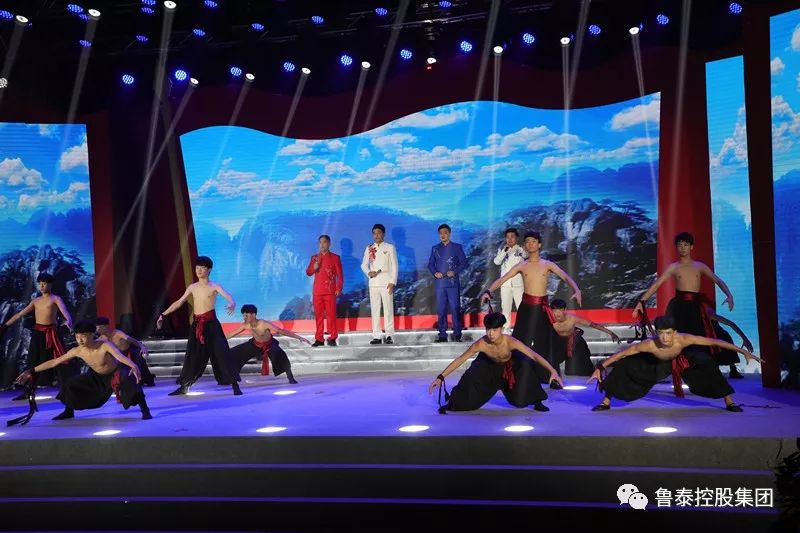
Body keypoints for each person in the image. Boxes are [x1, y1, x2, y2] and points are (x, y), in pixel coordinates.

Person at [588, 315, 760, 412]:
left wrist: (744, 352)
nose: (664, 337)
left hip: (683, 360)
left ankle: (729, 401)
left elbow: (715, 342)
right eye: (661, 333)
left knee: (707, 363)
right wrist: (600, 367)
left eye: (668, 333)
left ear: (675, 332)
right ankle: (606, 401)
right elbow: (623, 353)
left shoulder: (684, 339)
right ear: (656, 333)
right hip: (659, 364)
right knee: (625, 365)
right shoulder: (650, 344)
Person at [632, 232, 741, 378]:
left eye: (685, 245)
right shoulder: (674, 267)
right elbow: (656, 285)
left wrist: (729, 295)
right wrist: (641, 302)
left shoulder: (699, 266)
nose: (682, 248)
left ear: (691, 247)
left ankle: (707, 370)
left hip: (696, 307)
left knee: (706, 336)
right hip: (679, 308)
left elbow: (718, 281)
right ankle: (673, 370)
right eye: (679, 245)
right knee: (675, 338)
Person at [481, 231, 582, 389]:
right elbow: (503, 279)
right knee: (519, 341)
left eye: (533, 241)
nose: (530, 244)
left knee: (545, 343)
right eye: (527, 241)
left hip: (542, 309)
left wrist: (576, 289)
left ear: (539, 244)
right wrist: (488, 291)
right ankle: (513, 377)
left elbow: (565, 276)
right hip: (526, 308)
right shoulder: (522, 265)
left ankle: (551, 378)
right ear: (524, 245)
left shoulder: (547, 264)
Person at [11, 320, 151, 423]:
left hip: (115, 372)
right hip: (96, 376)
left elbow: (120, 357)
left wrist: (133, 365)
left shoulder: (104, 345)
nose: (80, 340)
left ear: (92, 334)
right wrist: (32, 370)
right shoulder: (77, 350)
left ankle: (145, 410)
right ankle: (68, 411)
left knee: (129, 379)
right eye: (77, 337)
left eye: (83, 336)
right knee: (70, 384)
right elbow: (54, 362)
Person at [428, 312, 561, 413]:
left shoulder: (510, 342)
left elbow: (534, 355)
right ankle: (453, 402)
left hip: (510, 368)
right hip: (490, 368)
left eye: (494, 329)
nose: (491, 333)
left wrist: (552, 370)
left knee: (525, 368)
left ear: (501, 329)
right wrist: (441, 377)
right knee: (471, 376)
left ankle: (537, 401)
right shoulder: (481, 343)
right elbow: (461, 359)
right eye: (488, 329)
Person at [157, 256, 241, 396]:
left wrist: (232, 303)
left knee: (221, 354)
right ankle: (185, 386)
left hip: (212, 326)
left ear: (209, 270)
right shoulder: (192, 287)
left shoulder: (214, 286)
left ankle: (234, 384)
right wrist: (163, 314)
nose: (199, 270)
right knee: (193, 356)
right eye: (197, 268)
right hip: (197, 326)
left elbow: (229, 297)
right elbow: (179, 302)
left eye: (202, 268)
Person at [2, 272, 76, 398]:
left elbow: (65, 311)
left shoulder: (55, 299)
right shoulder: (36, 301)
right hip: (38, 334)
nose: (41, 286)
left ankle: (66, 391)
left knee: (60, 362)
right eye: (40, 283)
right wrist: (5, 326)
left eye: (44, 283)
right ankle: (28, 391)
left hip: (52, 334)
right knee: (32, 362)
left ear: (50, 285)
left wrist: (68, 321)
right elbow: (20, 314)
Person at [227, 304, 311, 384]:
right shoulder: (245, 325)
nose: (244, 318)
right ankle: (232, 378)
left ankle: (290, 377)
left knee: (280, 355)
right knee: (234, 352)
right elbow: (231, 334)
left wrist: (299, 337)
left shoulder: (264, 324)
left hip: (269, 344)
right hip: (256, 344)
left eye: (246, 315)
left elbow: (280, 331)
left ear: (253, 315)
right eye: (243, 316)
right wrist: (220, 341)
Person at [549, 299, 621, 376]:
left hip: (573, 343)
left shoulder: (572, 318)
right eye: (554, 311)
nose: (557, 314)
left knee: (573, 371)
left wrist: (611, 333)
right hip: (558, 343)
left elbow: (594, 325)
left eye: (560, 310)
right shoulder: (549, 320)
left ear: (565, 309)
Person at [428, 224, 468, 342]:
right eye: (440, 233)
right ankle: (442, 335)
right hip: (440, 284)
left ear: (449, 234)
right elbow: (430, 264)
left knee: (455, 309)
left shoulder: (457, 247)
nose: (443, 235)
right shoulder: (435, 248)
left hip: (452, 283)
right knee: (441, 310)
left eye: (445, 233)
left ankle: (457, 334)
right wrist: (435, 272)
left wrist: (454, 271)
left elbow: (464, 263)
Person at [361, 224, 398, 345]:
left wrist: (392, 281)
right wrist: (368, 272)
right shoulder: (369, 248)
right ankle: (376, 335)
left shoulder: (390, 247)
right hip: (374, 283)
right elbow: (363, 265)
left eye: (379, 233)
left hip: (386, 282)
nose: (376, 235)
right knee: (375, 310)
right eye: (374, 233)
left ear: (383, 234)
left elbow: (394, 266)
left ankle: (389, 335)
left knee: (388, 309)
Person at [306, 235, 344, 347]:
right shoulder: (314, 258)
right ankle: (319, 338)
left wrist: (338, 288)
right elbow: (308, 272)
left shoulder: (335, 258)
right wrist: (314, 267)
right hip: (317, 292)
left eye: (324, 242)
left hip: (330, 291)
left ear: (329, 243)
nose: (322, 245)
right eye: (320, 242)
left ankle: (332, 337)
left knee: (331, 316)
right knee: (319, 316)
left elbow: (340, 276)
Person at [95, 316, 155, 387]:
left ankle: (148, 379)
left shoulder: (118, 333)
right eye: (96, 327)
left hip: (130, 351)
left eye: (98, 327)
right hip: (119, 356)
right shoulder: (101, 338)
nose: (97, 329)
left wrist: (142, 346)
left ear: (105, 326)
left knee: (138, 358)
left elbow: (132, 340)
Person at [492, 228, 527, 333]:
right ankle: (506, 330)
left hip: (518, 284)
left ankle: (522, 330)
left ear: (516, 238)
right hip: (505, 284)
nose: (510, 239)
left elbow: (526, 256)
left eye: (512, 237)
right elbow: (497, 262)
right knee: (505, 308)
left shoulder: (520, 249)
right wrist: (504, 251)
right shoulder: (502, 250)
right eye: (507, 237)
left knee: (521, 308)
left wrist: (523, 249)